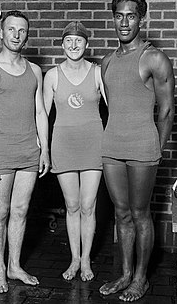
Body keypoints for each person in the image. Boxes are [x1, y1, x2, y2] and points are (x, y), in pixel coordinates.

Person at [99, 0, 175, 302]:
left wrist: (156, 147)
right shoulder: (106, 60)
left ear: (141, 19)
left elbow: (167, 110)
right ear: (113, 18)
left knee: (141, 213)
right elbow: (111, 105)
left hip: (143, 146)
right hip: (112, 145)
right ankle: (126, 273)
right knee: (121, 214)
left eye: (131, 15)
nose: (124, 21)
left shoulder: (154, 57)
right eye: (119, 15)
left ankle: (141, 278)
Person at [0, 10, 50, 293]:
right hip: (1, 151)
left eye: (22, 31)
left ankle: (15, 265)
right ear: (0, 34)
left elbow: (40, 111)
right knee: (1, 212)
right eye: (11, 30)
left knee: (21, 210)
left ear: (27, 36)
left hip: (29, 150)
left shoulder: (34, 70)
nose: (17, 35)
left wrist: (45, 150)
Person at [43, 21, 107, 282]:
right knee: (71, 205)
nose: (73, 45)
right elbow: (42, 115)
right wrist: (42, 149)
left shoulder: (98, 72)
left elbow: (114, 107)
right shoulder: (53, 75)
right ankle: (74, 259)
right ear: (61, 45)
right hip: (64, 144)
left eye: (78, 41)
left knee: (88, 206)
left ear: (86, 44)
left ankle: (87, 260)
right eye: (68, 41)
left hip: (94, 144)